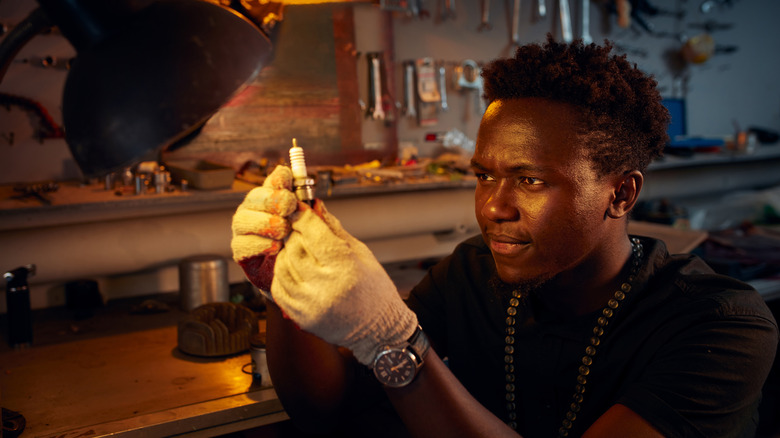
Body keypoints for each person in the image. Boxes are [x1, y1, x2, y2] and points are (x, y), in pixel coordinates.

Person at [231, 36, 779, 437]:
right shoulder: (472, 272)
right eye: (484, 175)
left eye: (531, 180)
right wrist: (285, 287)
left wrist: (395, 343)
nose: (493, 207)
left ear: (620, 195)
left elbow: (400, 361)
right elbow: (326, 413)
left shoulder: (722, 325)